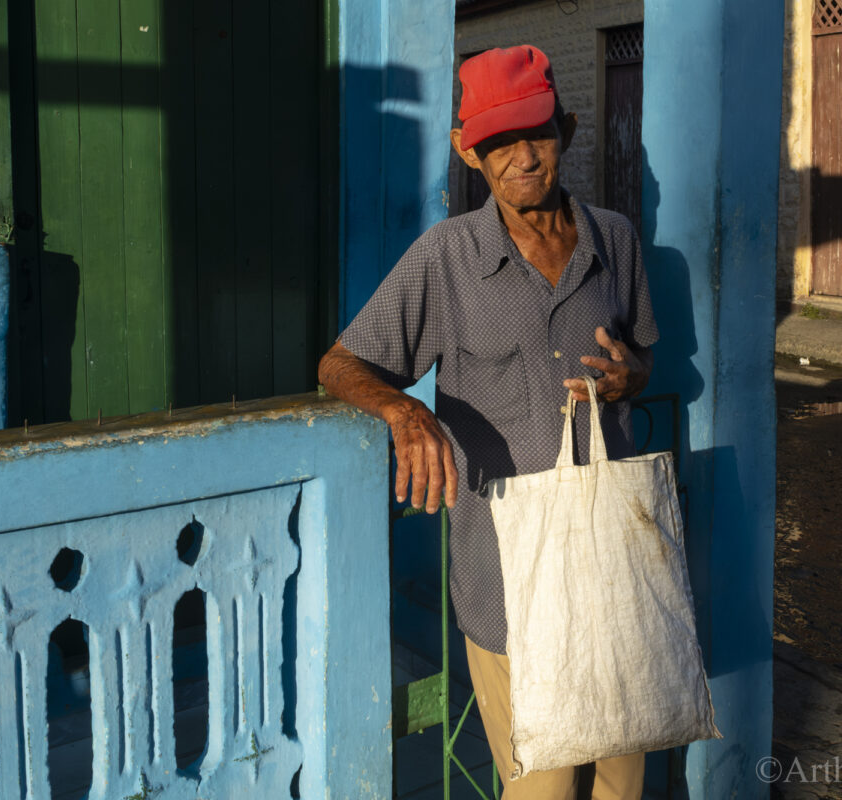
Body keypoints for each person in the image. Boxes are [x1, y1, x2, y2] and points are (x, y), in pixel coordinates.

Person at [317, 44, 657, 800]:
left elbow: (643, 357)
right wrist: (404, 410)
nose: (520, 158)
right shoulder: (446, 258)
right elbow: (339, 364)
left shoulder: (617, 240)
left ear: (566, 129)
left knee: (621, 785)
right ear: (466, 150)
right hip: (510, 579)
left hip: (611, 564)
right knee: (542, 789)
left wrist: (632, 376)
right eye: (497, 142)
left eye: (534, 133)